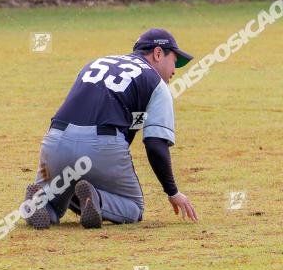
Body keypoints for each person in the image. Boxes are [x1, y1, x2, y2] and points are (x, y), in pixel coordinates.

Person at [24, 28, 199, 229]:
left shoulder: (95, 63)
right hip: (103, 145)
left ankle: (41, 202)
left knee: (54, 200)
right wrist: (172, 192)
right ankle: (97, 199)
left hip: (56, 140)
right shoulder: (156, 83)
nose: (175, 71)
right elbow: (155, 145)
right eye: (174, 62)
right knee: (134, 207)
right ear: (158, 53)